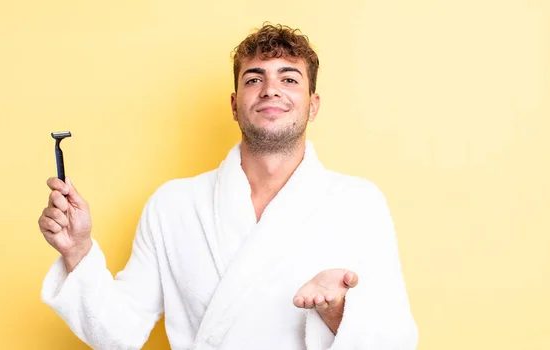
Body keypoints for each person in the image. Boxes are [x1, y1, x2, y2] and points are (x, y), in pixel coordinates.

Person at [38, 23, 418, 350]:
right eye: (255, 78)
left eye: (289, 78)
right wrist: (78, 251)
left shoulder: (358, 203)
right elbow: (119, 334)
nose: (271, 89)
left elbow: (396, 340)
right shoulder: (173, 205)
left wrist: (336, 312)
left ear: (313, 105)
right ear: (235, 105)